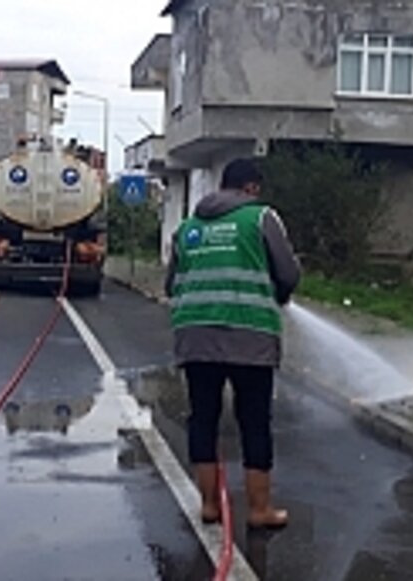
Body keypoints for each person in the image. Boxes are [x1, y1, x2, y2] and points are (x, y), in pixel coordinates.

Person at [165, 158, 301, 529]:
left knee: (203, 418)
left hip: (196, 337)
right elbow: (288, 272)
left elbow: (170, 285)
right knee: (254, 421)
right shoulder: (260, 218)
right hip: (251, 335)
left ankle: (209, 506)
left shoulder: (188, 228)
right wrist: (280, 294)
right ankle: (259, 511)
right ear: (252, 188)